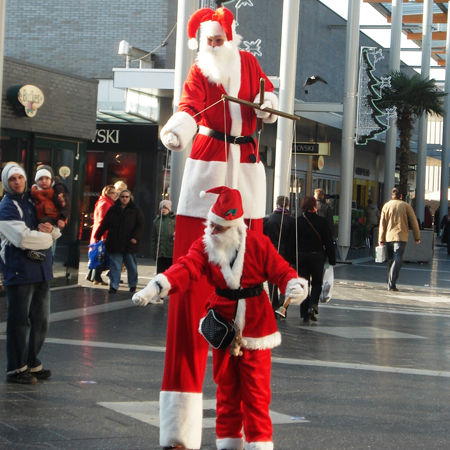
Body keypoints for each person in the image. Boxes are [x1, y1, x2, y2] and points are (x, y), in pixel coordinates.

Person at [158, 7, 279, 449]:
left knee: (251, 284)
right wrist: (179, 129)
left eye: (218, 38)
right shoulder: (197, 73)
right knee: (187, 298)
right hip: (205, 177)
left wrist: (267, 105)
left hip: (246, 174)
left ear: (230, 35)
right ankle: (178, 431)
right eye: (207, 40)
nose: (213, 46)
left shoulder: (248, 64)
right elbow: (189, 106)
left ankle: (250, 434)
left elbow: (266, 97)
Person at [132, 187, 308, 450]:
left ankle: (259, 443)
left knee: (257, 393)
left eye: (219, 227)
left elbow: (280, 270)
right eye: (211, 225)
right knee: (226, 390)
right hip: (223, 326)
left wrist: (294, 285)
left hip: (256, 327)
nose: (212, 231)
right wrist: (159, 285)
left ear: (235, 226)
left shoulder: (258, 244)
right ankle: (228, 443)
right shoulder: (205, 245)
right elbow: (186, 266)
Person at [0, 162, 61, 384]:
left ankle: (31, 361)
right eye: (12, 179)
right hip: (19, 271)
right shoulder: (6, 206)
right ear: (6, 182)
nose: (17, 182)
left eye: (20, 177)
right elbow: (23, 239)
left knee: (41, 320)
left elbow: (50, 224)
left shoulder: (31, 200)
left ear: (26, 179)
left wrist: (52, 230)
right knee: (19, 321)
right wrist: (49, 237)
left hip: (41, 270)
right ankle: (16, 368)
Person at [288, 196, 336, 323]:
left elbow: (292, 241)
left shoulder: (297, 221)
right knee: (317, 283)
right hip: (317, 256)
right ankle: (313, 306)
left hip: (301, 256)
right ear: (314, 206)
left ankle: (304, 312)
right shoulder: (322, 221)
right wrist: (332, 259)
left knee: (304, 284)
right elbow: (328, 242)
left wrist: (291, 260)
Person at [94, 189, 144, 293]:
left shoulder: (135, 210)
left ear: (130, 198)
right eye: (122, 196)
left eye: (127, 197)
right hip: (115, 242)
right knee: (115, 265)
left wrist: (135, 237)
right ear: (119, 198)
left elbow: (140, 225)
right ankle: (113, 286)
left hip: (129, 243)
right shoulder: (113, 209)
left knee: (131, 266)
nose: (124, 199)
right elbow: (105, 223)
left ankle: (132, 284)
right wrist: (98, 235)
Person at [379, 187, 421, 291]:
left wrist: (381, 239)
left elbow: (382, 224)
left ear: (392, 195)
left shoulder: (386, 206)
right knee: (397, 260)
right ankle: (391, 284)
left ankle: (390, 283)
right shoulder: (406, 206)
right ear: (401, 196)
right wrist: (417, 237)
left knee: (390, 260)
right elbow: (414, 222)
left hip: (388, 237)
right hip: (400, 237)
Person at [28, 165, 70, 260]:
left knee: (46, 228)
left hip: (52, 217)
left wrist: (62, 218)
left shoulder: (56, 191)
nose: (43, 181)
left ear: (51, 180)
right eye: (40, 179)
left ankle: (43, 253)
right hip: (39, 219)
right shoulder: (33, 192)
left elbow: (65, 206)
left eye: (46, 178)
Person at [263, 195, 295, 315]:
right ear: (287, 205)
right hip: (286, 254)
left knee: (272, 280)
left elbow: (263, 236)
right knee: (285, 279)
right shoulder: (292, 221)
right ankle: (283, 305)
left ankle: (273, 302)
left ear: (276, 204)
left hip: (271, 252)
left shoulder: (268, 219)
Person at [86, 184, 117, 285]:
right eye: (113, 193)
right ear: (107, 193)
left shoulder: (105, 202)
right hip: (103, 234)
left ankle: (91, 275)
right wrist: (103, 235)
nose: (115, 195)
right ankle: (96, 277)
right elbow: (103, 221)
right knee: (101, 255)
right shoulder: (105, 204)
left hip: (101, 233)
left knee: (98, 255)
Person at [151, 200, 176, 274]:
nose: (163, 210)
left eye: (165, 208)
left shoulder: (174, 220)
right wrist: (153, 252)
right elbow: (154, 237)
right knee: (160, 273)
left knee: (171, 273)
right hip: (160, 252)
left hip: (170, 252)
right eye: (162, 208)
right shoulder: (157, 221)